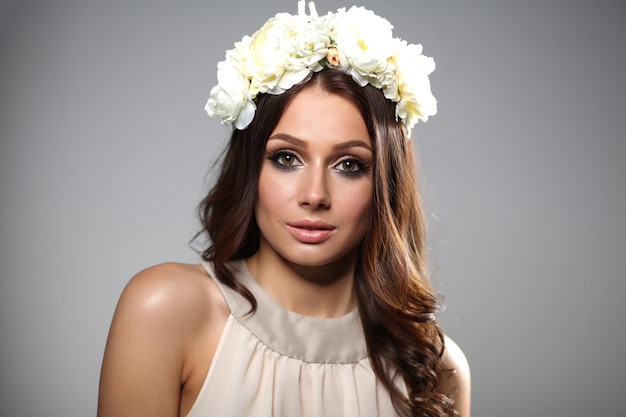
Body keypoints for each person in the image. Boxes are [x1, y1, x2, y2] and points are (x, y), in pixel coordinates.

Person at [97, 2, 470, 416]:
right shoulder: (166, 310)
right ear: (251, 166)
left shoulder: (436, 368)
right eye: (287, 158)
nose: (314, 195)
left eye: (349, 165)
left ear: (385, 182)